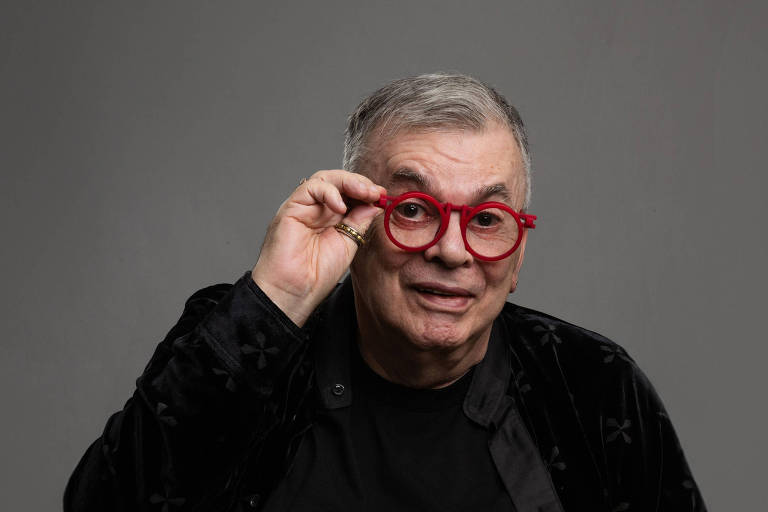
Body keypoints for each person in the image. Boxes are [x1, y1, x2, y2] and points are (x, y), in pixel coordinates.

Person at [64, 73, 706, 511]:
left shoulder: (591, 386)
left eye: (486, 220)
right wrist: (278, 298)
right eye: (415, 210)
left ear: (518, 254)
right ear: (356, 218)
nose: (452, 251)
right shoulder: (241, 335)